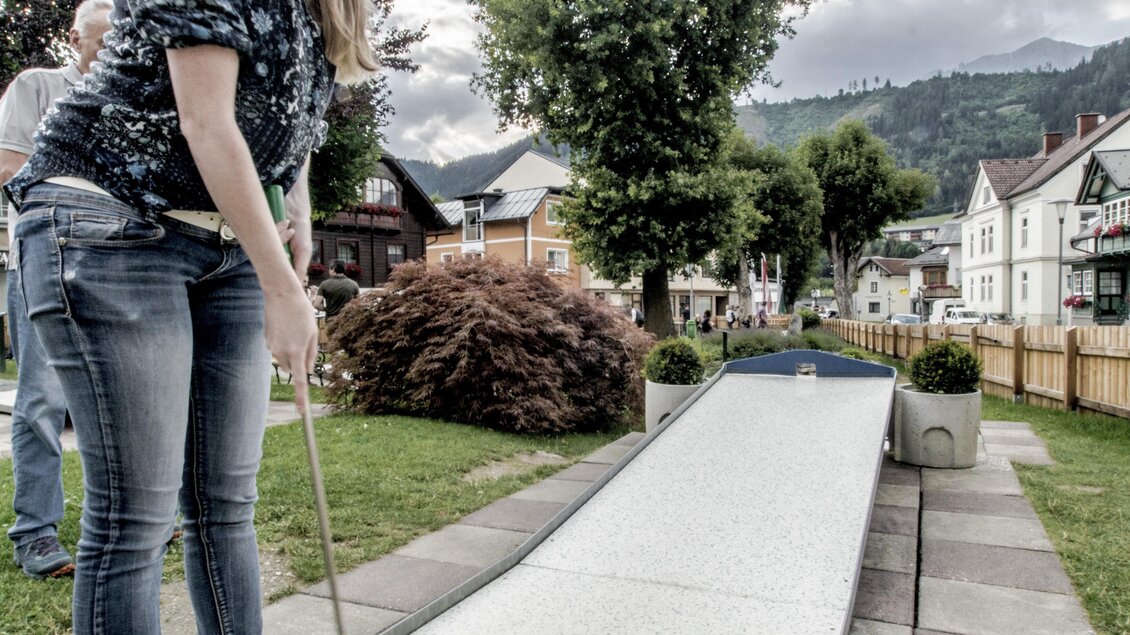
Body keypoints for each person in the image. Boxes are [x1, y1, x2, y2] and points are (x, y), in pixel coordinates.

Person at [3, 0, 377, 628]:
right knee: (136, 516)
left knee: (226, 504)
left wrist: (301, 227)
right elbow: (206, 122)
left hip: (223, 237)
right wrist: (282, 288)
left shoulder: (323, 18)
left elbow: (290, 129)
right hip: (107, 223)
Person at [0, 0, 112, 580]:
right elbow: (9, 166)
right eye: (102, 39)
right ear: (76, 36)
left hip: (118, 266)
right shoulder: (38, 86)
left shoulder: (128, 98)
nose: (113, 49)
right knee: (43, 401)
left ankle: (113, 519)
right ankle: (36, 532)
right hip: (44, 262)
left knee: (110, 402)